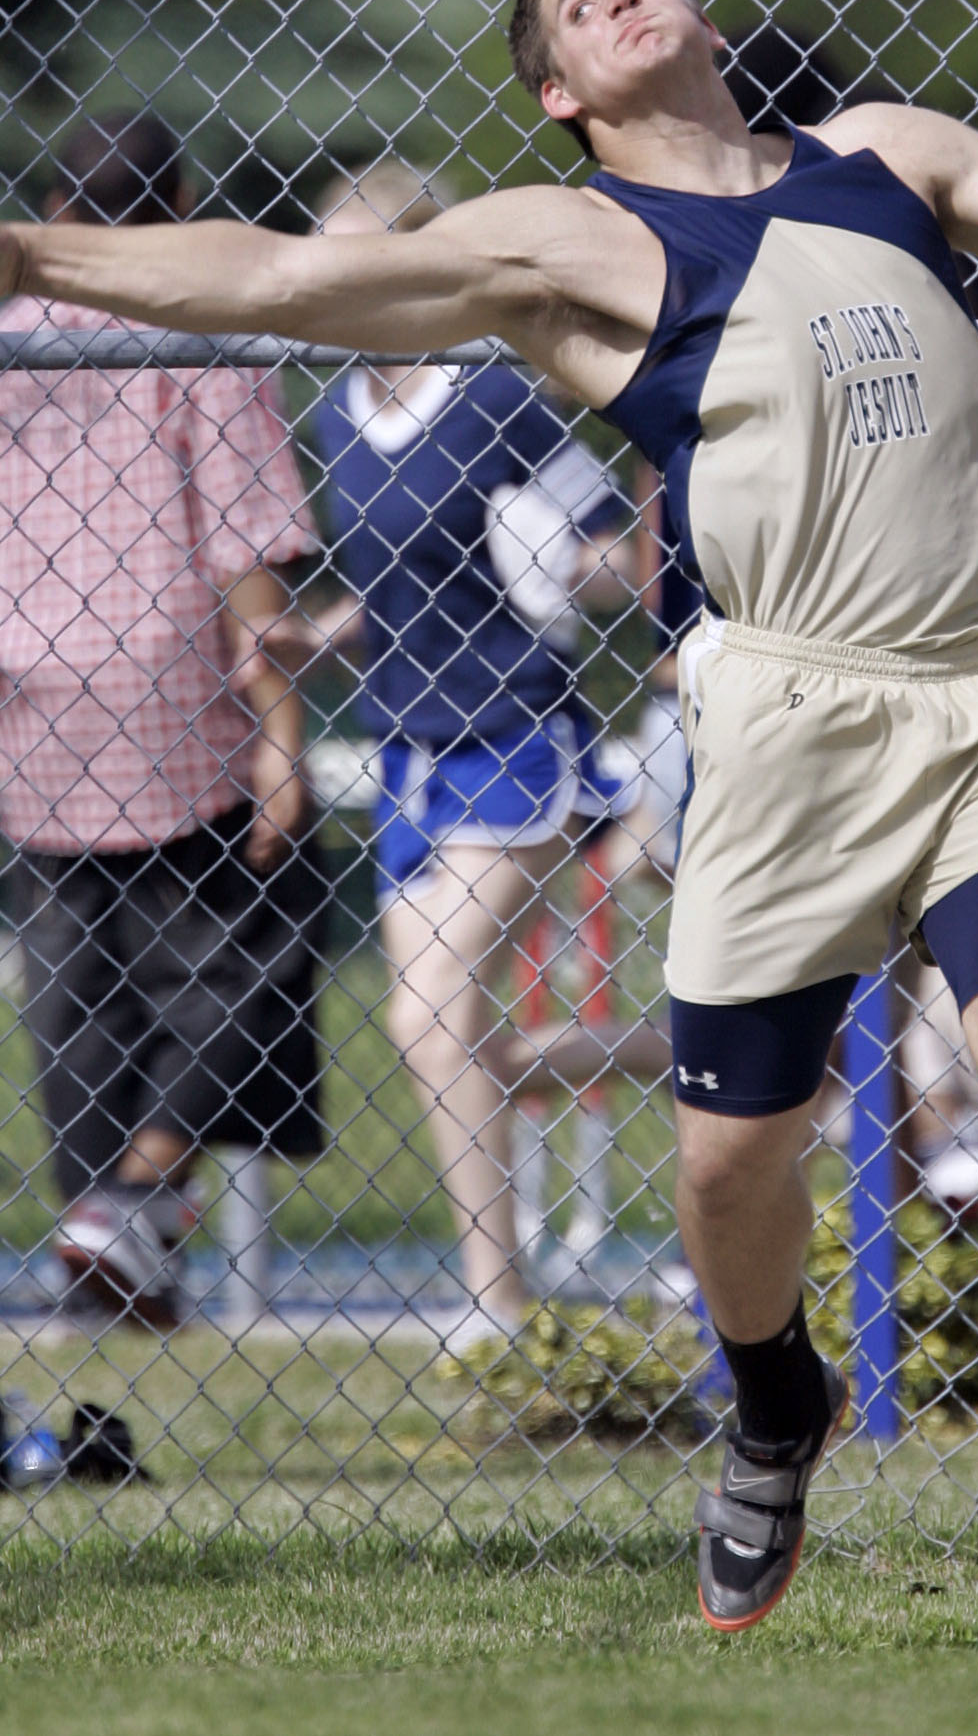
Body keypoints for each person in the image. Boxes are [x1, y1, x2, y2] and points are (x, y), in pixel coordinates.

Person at [0, 0, 978, 1652]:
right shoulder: (570, 239)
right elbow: (282, 283)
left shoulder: (881, 157)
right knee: (723, 1165)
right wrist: (29, 256)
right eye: (571, 3)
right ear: (556, 89)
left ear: (694, 13)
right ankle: (777, 1403)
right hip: (784, 716)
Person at [0, 111, 325, 1330]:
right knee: (246, 950)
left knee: (79, 985)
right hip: (174, 686)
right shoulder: (198, 333)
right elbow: (245, 533)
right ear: (185, 203)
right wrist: (281, 724)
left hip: (33, 694)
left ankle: (111, 1233)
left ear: (52, 203)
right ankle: (135, 1192)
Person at [302, 159, 656, 1332]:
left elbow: (620, 556)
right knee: (456, 1044)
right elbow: (397, 589)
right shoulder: (333, 415)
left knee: (429, 1016)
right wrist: (318, 639)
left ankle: (496, 1305)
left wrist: (558, 562)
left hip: (515, 734)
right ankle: (726, 1049)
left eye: (356, 261)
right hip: (405, 747)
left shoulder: (494, 398)